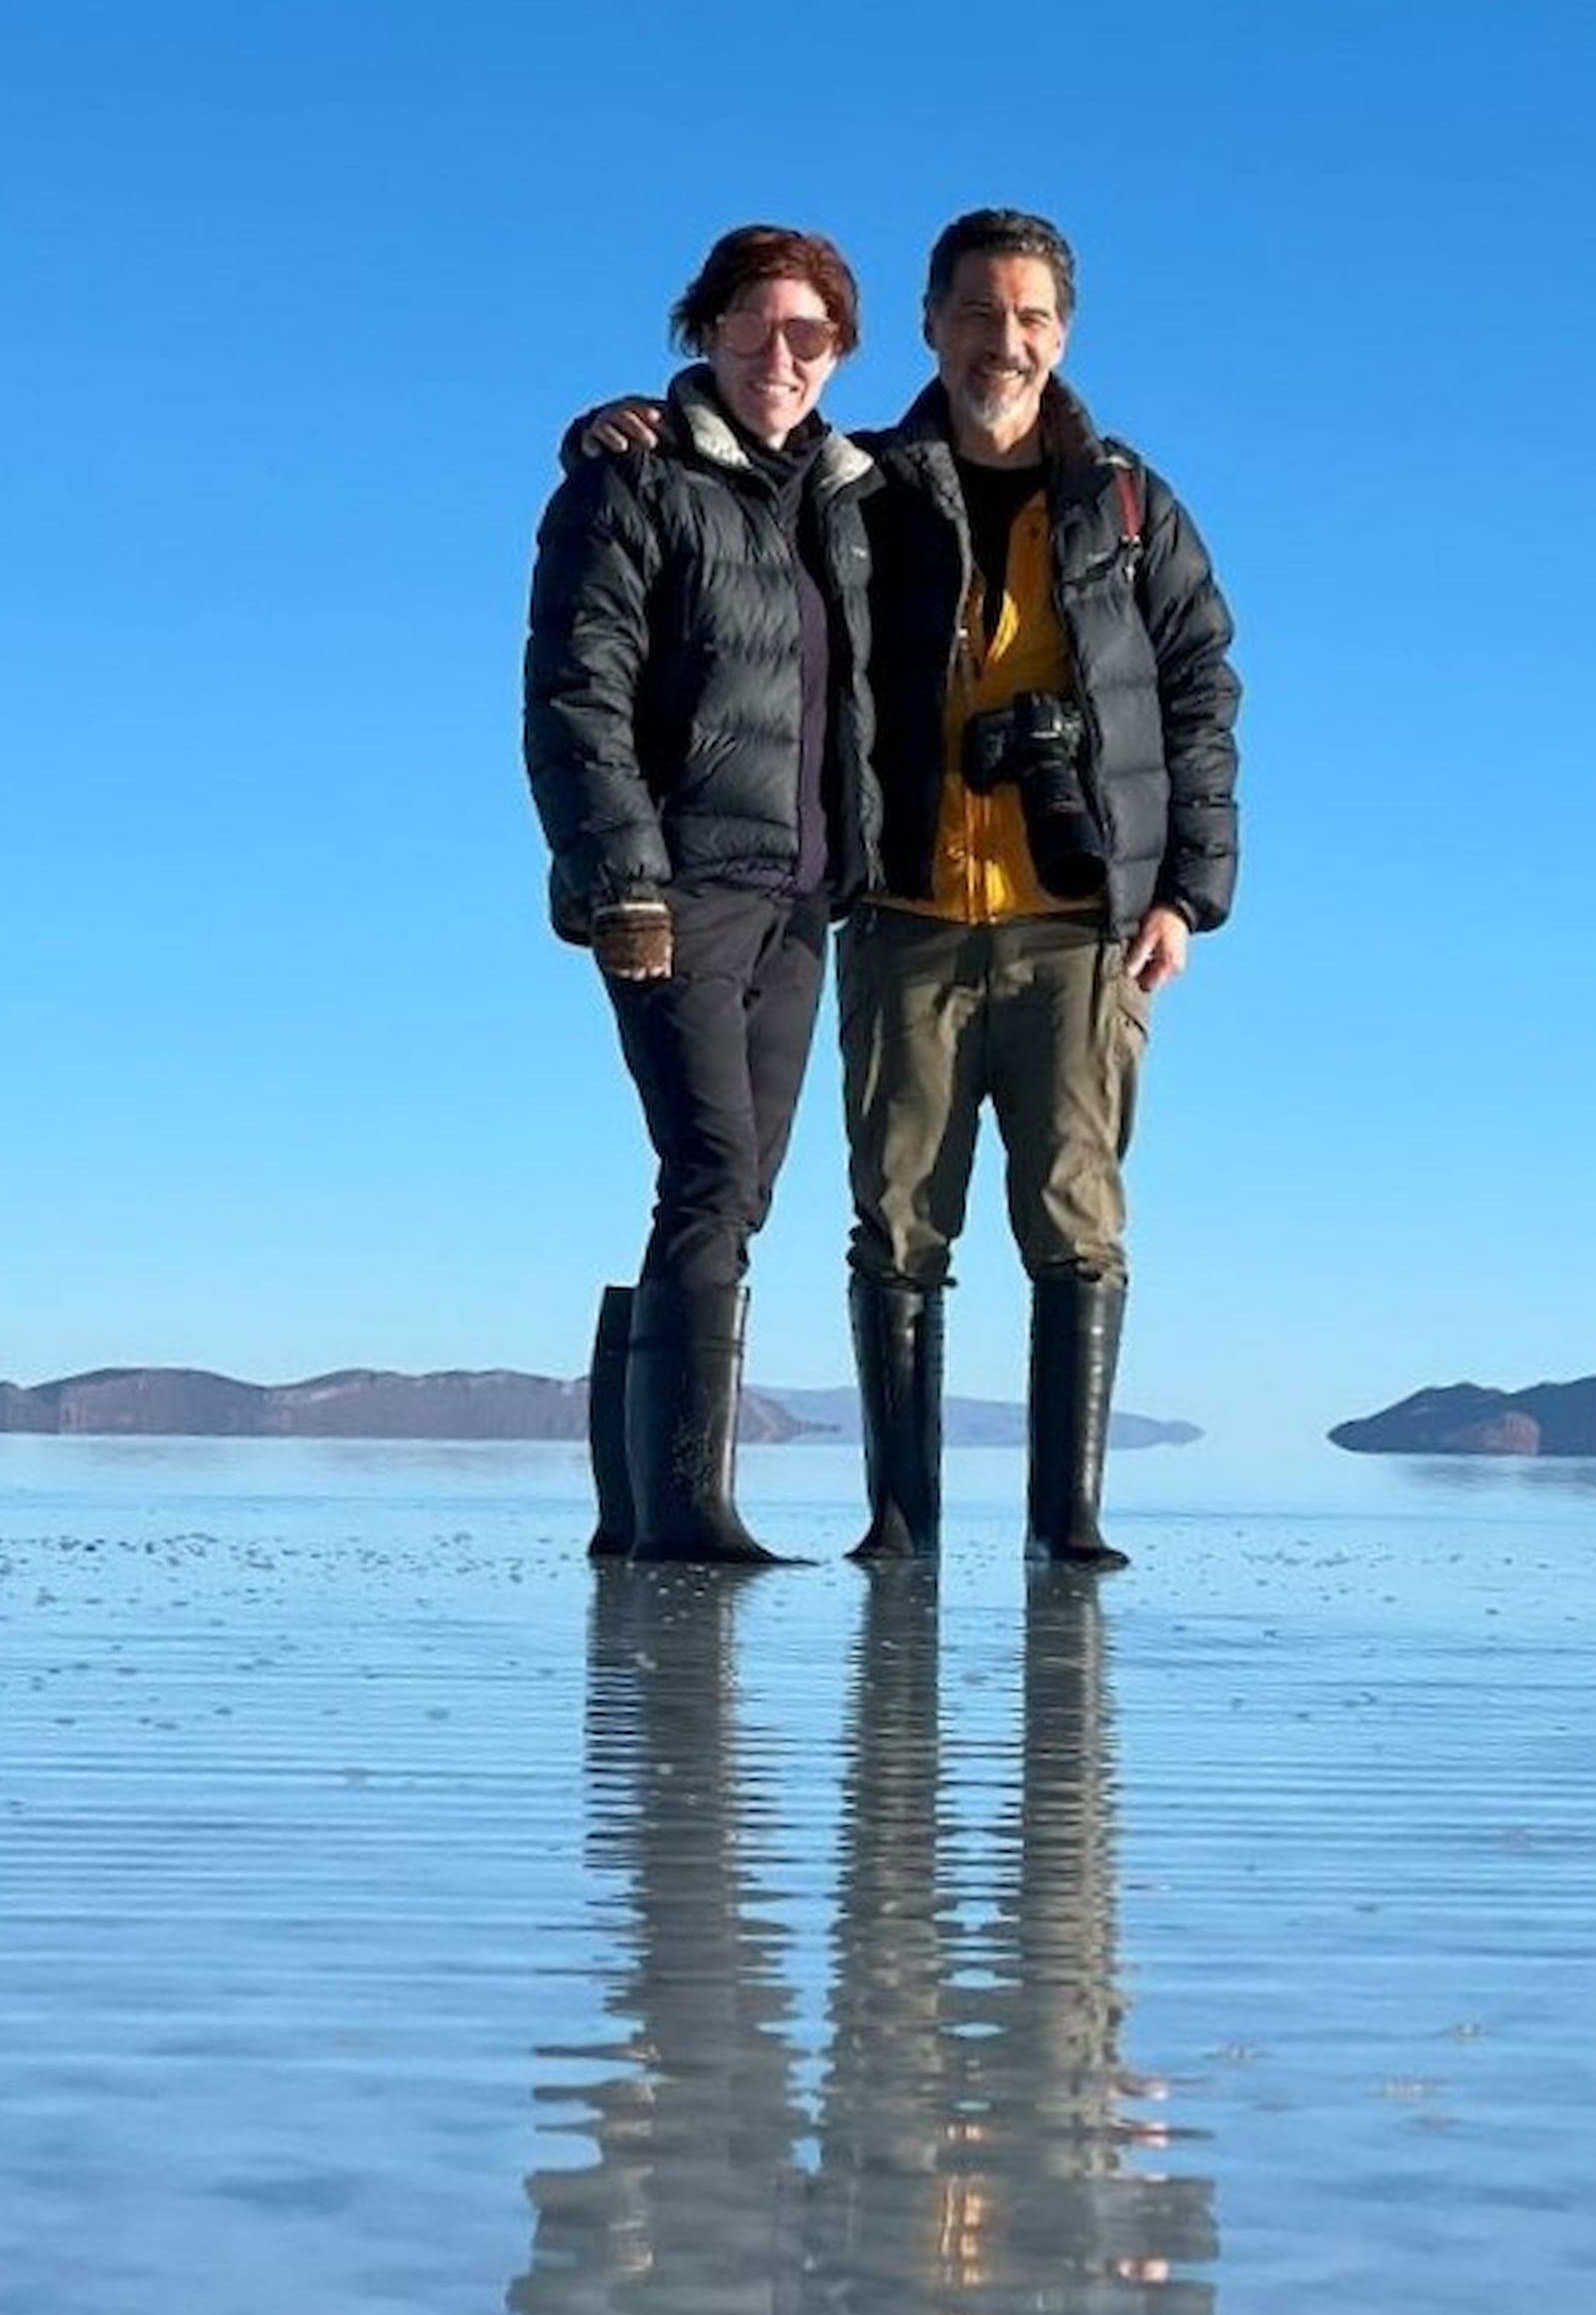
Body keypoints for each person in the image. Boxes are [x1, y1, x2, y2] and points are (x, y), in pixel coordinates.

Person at [580, 207, 1240, 1571]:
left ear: (1065, 334)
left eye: (1034, 316)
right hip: (903, 909)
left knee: (1075, 1216)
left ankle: (1069, 1525)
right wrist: (619, 426)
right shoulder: (862, 483)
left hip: (1082, 922)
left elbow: (1200, 694)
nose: (1008, 340)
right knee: (894, 1220)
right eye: (981, 312)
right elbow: (733, 497)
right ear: (932, 326)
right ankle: (900, 1524)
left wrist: (1189, 891)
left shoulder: (1126, 504)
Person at [523, 226, 882, 1562]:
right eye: (751, 325)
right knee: (712, 1170)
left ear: (839, 352)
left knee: (732, 1188)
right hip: (675, 890)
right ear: (705, 331)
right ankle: (685, 1510)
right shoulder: (632, 484)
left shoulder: (846, 502)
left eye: (809, 334)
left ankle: (637, 1515)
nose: (779, 355)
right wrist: (623, 881)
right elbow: (577, 695)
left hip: (799, 900)